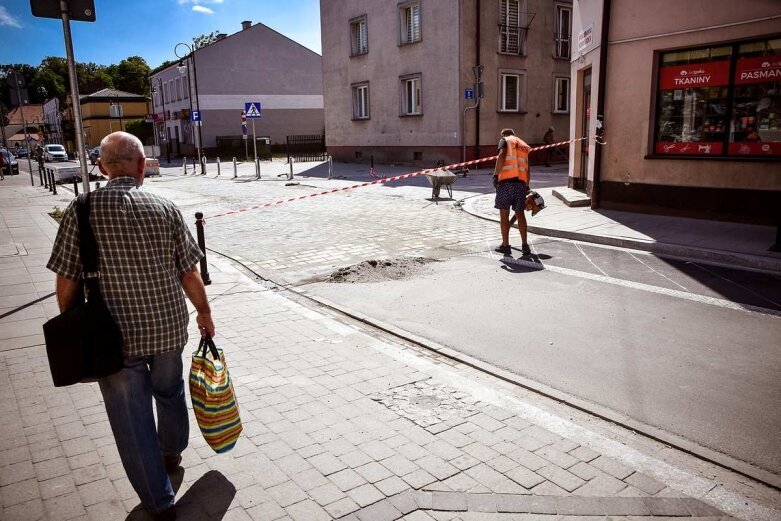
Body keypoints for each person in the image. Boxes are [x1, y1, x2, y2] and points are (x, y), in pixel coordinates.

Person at [47, 132, 214, 521]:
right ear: (142, 166)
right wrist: (205, 313)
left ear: (103, 167)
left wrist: (75, 326)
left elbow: (67, 280)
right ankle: (171, 451)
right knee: (169, 392)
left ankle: (159, 502)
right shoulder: (166, 206)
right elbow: (189, 272)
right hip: (169, 327)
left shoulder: (82, 209)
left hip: (114, 339)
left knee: (131, 420)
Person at [493, 128, 531, 256]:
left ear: (503, 134)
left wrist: (495, 175)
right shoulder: (523, 145)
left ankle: (506, 246)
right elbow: (527, 167)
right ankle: (525, 246)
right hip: (520, 184)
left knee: (504, 215)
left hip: (505, 183)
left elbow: (502, 155)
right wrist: (527, 185)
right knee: (520, 214)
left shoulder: (504, 140)